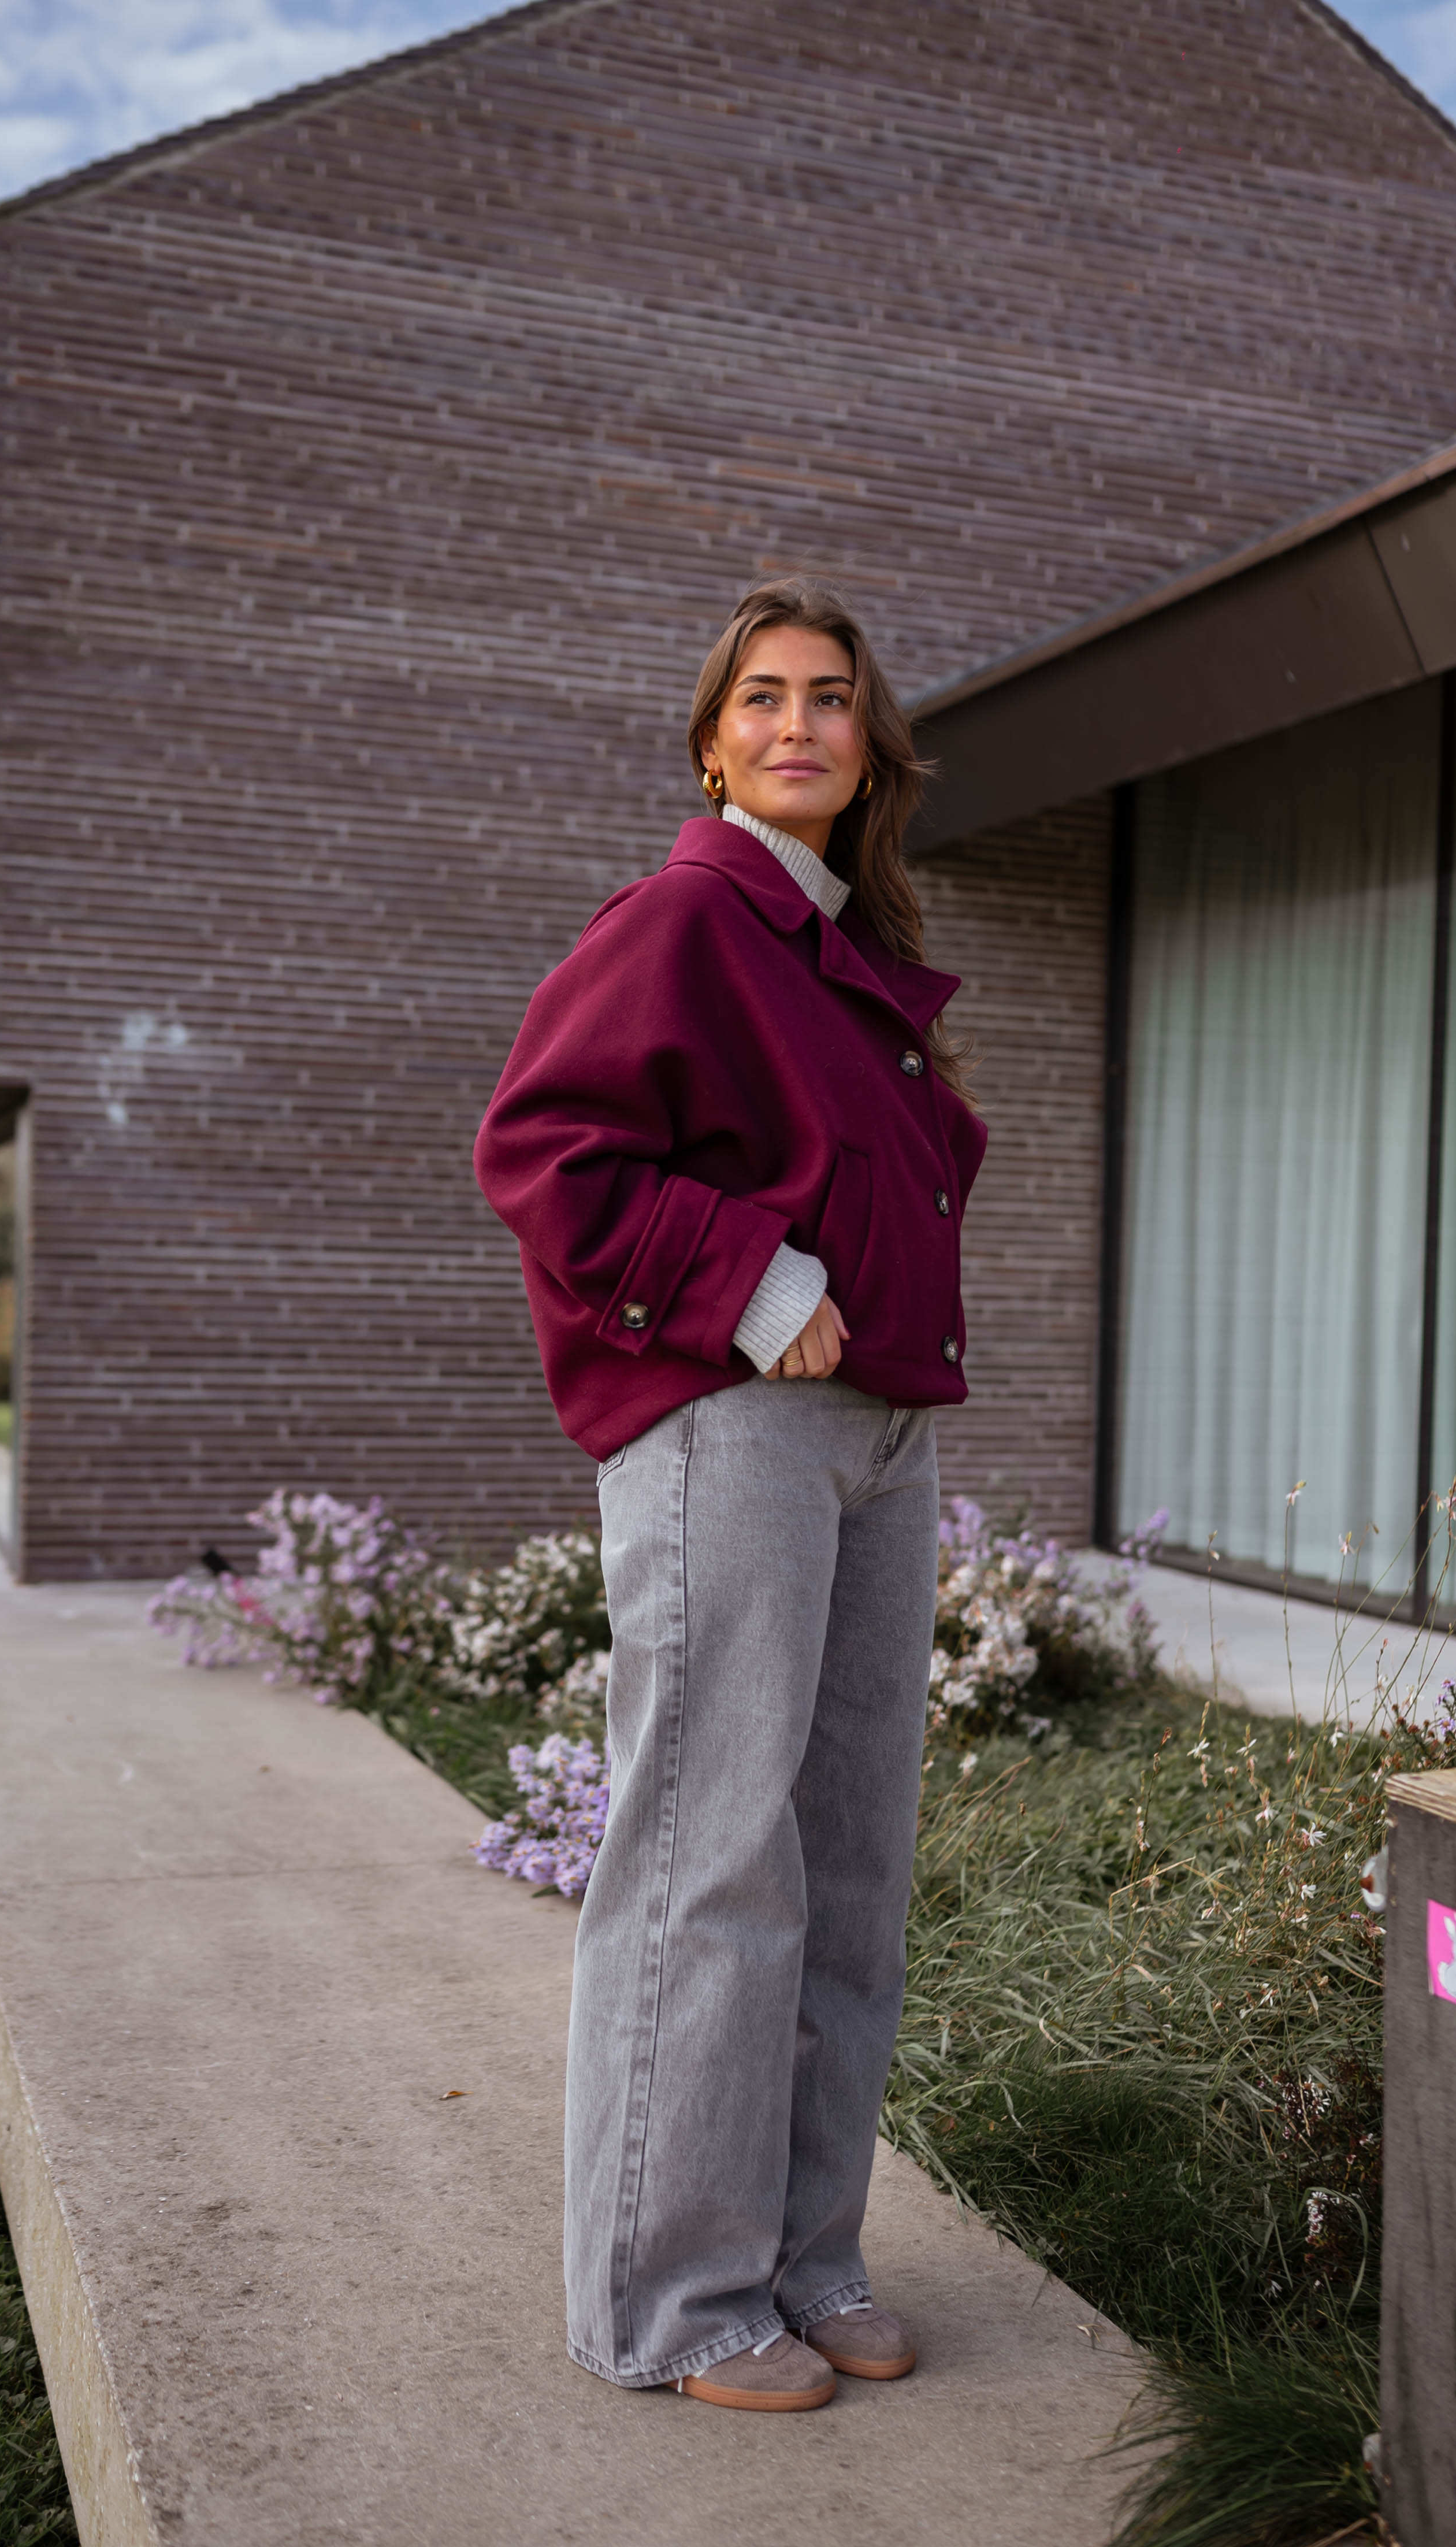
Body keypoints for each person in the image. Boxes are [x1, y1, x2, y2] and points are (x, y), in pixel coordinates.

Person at [474, 576, 986, 2412]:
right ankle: (675, 2300)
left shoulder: (836, 951)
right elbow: (541, 1147)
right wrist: (754, 1284)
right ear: (715, 742)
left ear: (869, 749)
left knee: (845, 1873)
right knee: (711, 1860)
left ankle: (803, 2253)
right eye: (761, 698)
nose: (797, 724)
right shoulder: (691, 916)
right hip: (734, 1431)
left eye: (831, 699)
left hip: (879, 1437)